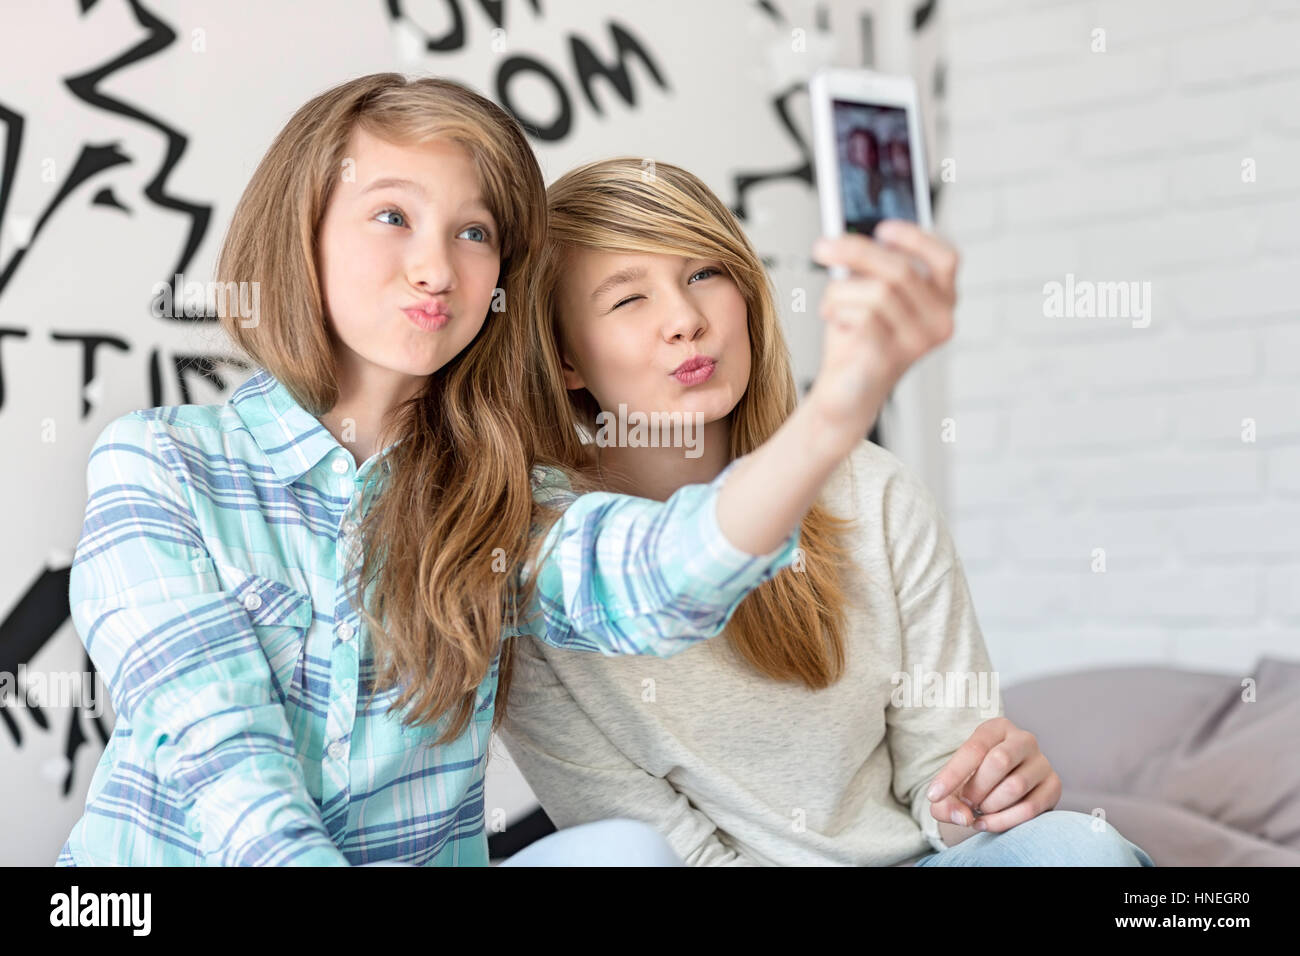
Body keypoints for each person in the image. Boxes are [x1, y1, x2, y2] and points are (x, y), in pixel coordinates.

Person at [55, 75, 945, 867]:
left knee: (620, 857)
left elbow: (662, 575)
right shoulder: (164, 463)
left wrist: (837, 409)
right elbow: (227, 766)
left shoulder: (497, 502)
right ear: (302, 235)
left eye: (474, 232)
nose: (437, 266)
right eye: (392, 215)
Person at [497, 158, 1156, 867]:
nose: (685, 321)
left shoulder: (874, 492)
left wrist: (987, 798)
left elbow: (942, 782)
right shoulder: (547, 567)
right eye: (628, 300)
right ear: (566, 360)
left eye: (703, 274)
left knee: (1076, 848)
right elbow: (665, 854)